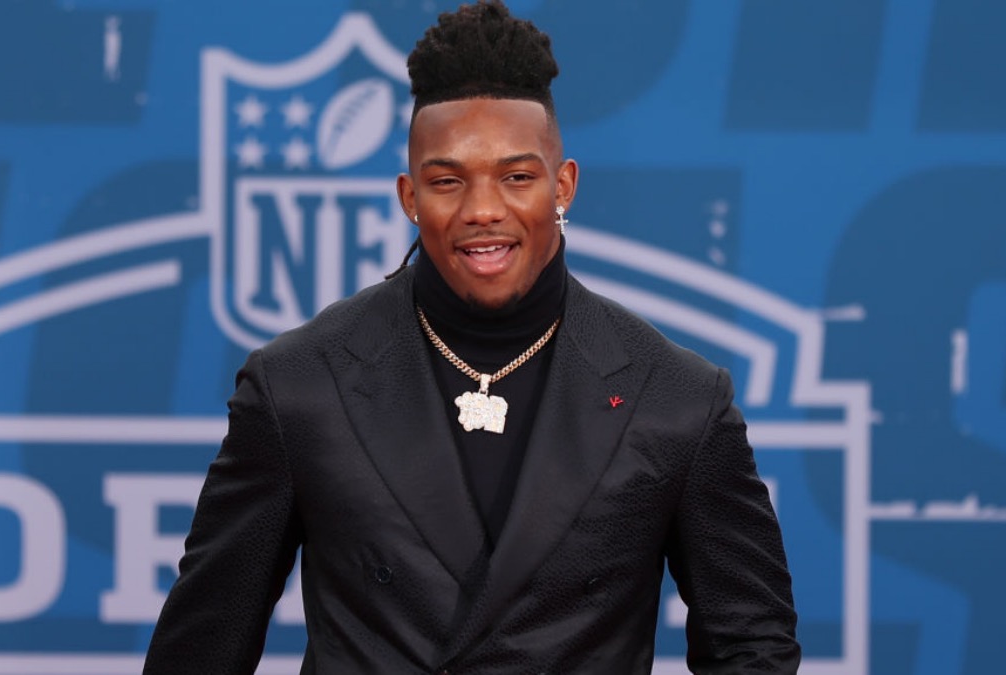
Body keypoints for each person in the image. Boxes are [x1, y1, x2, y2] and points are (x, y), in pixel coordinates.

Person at [143, 1, 800, 672]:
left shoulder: (678, 399)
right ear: (409, 197)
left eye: (516, 177)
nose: (483, 210)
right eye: (448, 181)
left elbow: (753, 648)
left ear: (562, 186)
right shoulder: (299, 386)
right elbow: (199, 649)